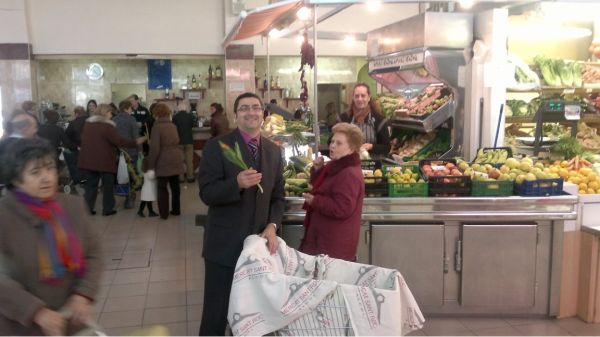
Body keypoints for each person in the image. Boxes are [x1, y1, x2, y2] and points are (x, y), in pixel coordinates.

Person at [198, 92, 285, 336]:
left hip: (259, 248)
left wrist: (272, 226)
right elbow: (206, 193)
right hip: (224, 247)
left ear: (263, 114)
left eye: (256, 108)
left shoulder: (273, 151)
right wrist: (234, 183)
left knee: (254, 314)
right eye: (244, 108)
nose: (251, 112)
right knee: (216, 313)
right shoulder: (218, 146)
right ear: (236, 115)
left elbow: (278, 197)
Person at [0, 137, 103, 335]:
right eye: (35, 172)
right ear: (15, 178)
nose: (46, 178)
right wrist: (36, 312)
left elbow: (94, 254)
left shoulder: (72, 206)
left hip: (70, 321)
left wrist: (83, 294)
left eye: (50, 168)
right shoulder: (4, 218)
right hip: (20, 327)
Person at [299, 122, 365, 261]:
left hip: (334, 246)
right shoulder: (337, 165)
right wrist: (317, 170)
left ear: (352, 148)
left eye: (339, 143)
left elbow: (342, 208)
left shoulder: (349, 174)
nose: (332, 145)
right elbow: (326, 186)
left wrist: (315, 201)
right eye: (332, 141)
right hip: (324, 241)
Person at [78, 104, 145, 216]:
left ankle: (88, 209)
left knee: (91, 186)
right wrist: (135, 142)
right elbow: (118, 141)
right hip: (104, 161)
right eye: (110, 112)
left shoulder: (88, 124)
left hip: (89, 160)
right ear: (105, 113)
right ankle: (108, 209)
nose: (111, 115)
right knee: (108, 186)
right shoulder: (107, 126)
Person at [146, 103, 184, 219]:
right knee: (175, 186)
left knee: (162, 187)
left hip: (163, 159)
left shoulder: (156, 127)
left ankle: (164, 213)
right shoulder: (173, 125)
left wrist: (151, 166)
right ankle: (176, 210)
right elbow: (177, 140)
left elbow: (155, 148)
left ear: (156, 114)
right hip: (176, 157)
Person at [339, 83, 391, 155]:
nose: (360, 99)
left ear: (369, 97)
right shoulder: (344, 118)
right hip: (348, 162)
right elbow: (331, 141)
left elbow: (386, 147)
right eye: (357, 96)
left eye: (363, 96)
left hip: (372, 163)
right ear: (353, 98)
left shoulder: (379, 120)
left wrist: (371, 146)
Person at [113, 99, 141, 209]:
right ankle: (129, 199)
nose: (131, 110)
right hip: (131, 152)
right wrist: (140, 151)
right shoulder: (132, 119)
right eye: (130, 108)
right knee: (131, 176)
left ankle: (122, 194)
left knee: (121, 175)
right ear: (126, 108)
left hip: (118, 152)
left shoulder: (114, 119)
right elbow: (136, 138)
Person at [172, 100, 196, 183]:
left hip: (179, 142)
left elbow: (173, 128)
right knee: (189, 161)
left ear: (178, 108)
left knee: (180, 161)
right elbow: (194, 125)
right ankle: (190, 177)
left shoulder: (175, 117)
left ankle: (181, 178)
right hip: (189, 141)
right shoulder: (190, 116)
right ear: (185, 108)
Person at [64, 106, 88, 184]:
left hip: (77, 148)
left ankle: (78, 179)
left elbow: (66, 135)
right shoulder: (90, 121)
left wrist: (72, 146)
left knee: (68, 157)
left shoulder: (73, 123)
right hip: (90, 148)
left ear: (76, 113)